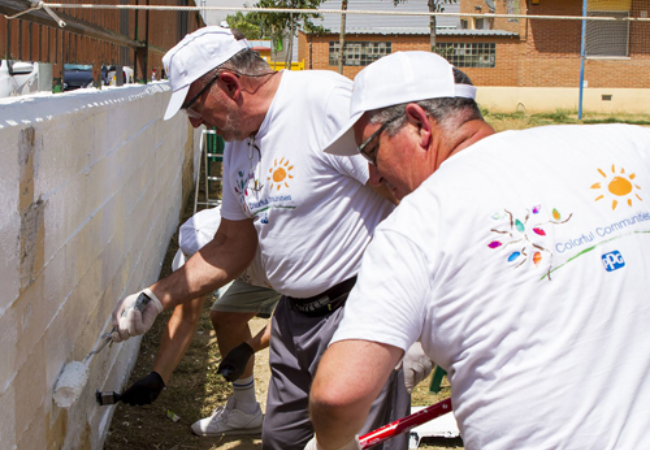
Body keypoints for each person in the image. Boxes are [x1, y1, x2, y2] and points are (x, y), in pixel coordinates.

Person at [306, 51, 650, 450]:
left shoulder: (417, 222)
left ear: (419, 124)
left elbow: (338, 394)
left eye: (371, 150)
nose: (374, 174)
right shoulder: (628, 142)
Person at [110, 26, 411, 450]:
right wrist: (156, 297)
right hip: (293, 316)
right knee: (281, 438)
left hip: (356, 311)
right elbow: (232, 245)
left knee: (363, 441)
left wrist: (412, 303)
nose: (195, 123)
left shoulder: (323, 103)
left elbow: (407, 187)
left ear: (230, 85)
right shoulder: (238, 143)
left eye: (194, 107)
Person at [119, 205, 281, 437]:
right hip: (253, 269)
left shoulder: (279, 247)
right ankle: (245, 412)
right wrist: (158, 376)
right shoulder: (196, 243)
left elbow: (297, 316)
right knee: (225, 317)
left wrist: (249, 347)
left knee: (302, 355)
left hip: (293, 276)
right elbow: (186, 317)